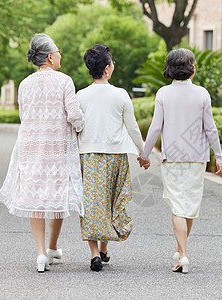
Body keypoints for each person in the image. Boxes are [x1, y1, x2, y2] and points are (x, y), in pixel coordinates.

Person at [0, 33, 85, 273]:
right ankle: (53, 246)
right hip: (56, 147)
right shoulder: (65, 81)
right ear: (50, 57)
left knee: (36, 197)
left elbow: (24, 116)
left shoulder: (25, 84)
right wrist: (81, 129)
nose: (60, 54)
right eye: (58, 50)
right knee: (57, 194)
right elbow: (74, 115)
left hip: (31, 145)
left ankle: (42, 253)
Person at [138, 48, 222, 274]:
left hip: (172, 158)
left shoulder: (163, 94)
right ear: (191, 69)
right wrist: (220, 157)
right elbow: (211, 129)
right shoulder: (202, 94)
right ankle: (180, 250)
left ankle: (183, 254)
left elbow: (156, 127)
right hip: (197, 158)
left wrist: (145, 155)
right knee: (189, 205)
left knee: (178, 205)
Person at [77, 44, 144, 272]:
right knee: (111, 202)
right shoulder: (121, 94)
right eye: (112, 63)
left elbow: (75, 128)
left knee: (91, 204)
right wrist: (143, 153)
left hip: (89, 157)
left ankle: (95, 253)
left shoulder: (81, 96)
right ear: (107, 69)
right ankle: (104, 248)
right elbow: (133, 128)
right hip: (116, 156)